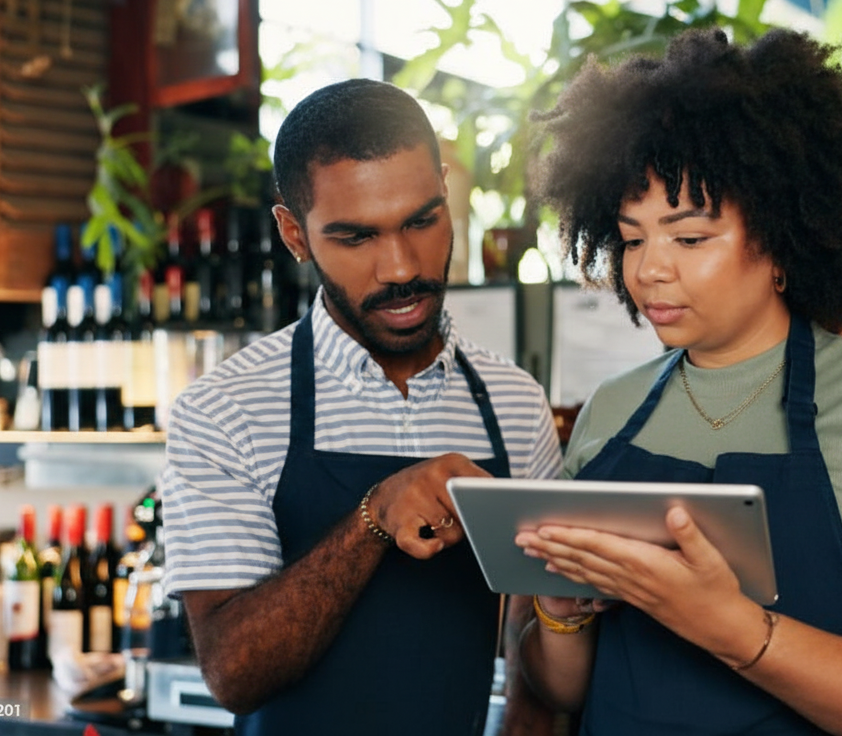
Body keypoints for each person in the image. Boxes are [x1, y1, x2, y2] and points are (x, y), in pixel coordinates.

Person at [515, 28, 842, 736]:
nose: (649, 269)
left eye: (689, 238)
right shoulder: (612, 410)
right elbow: (561, 690)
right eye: (633, 238)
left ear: (781, 240)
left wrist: (731, 628)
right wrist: (560, 614)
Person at [159, 79, 562, 735]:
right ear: (295, 234)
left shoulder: (514, 402)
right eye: (356, 237)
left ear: (447, 196)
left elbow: (532, 637)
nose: (400, 268)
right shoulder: (225, 410)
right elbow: (234, 674)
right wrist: (373, 519)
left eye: (421, 221)